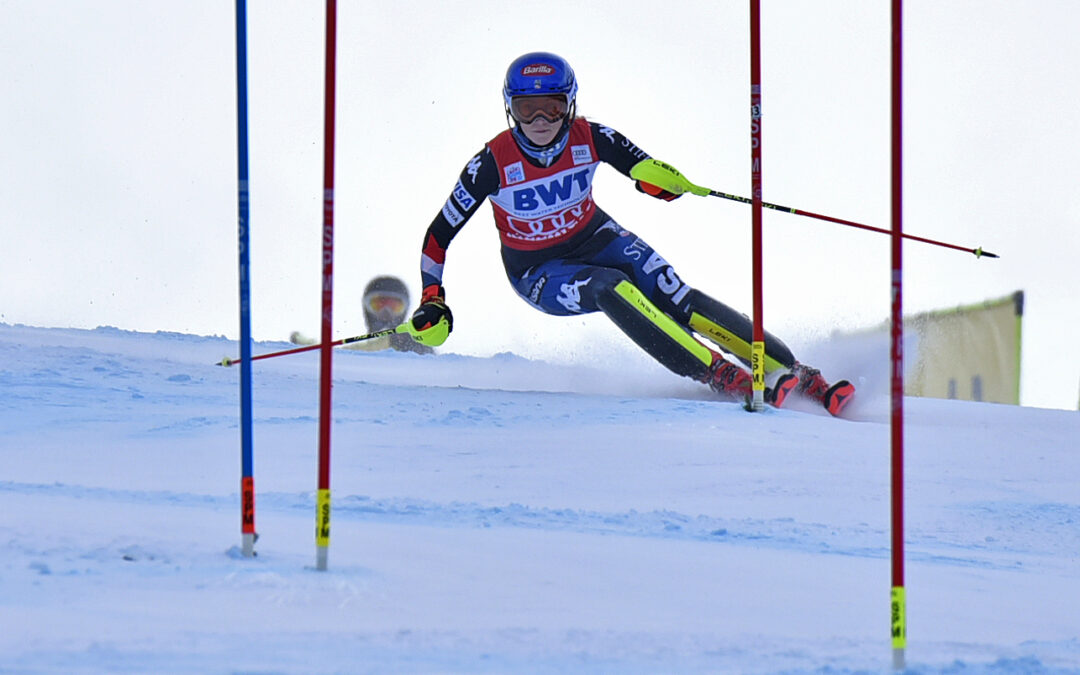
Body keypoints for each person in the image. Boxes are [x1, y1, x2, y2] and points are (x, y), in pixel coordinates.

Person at [407, 51, 853, 415]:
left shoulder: (591, 136)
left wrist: (661, 182)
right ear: (511, 109)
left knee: (673, 293)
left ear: (569, 104)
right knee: (610, 286)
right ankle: (721, 375)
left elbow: (642, 168)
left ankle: (800, 376)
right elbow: (438, 234)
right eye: (527, 108)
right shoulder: (490, 163)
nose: (540, 119)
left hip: (597, 236)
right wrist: (432, 297)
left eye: (553, 107)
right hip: (538, 270)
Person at [291, 275, 433, 354]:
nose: (386, 313)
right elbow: (344, 354)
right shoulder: (363, 351)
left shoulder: (413, 344)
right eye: (379, 305)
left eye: (394, 306)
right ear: (366, 308)